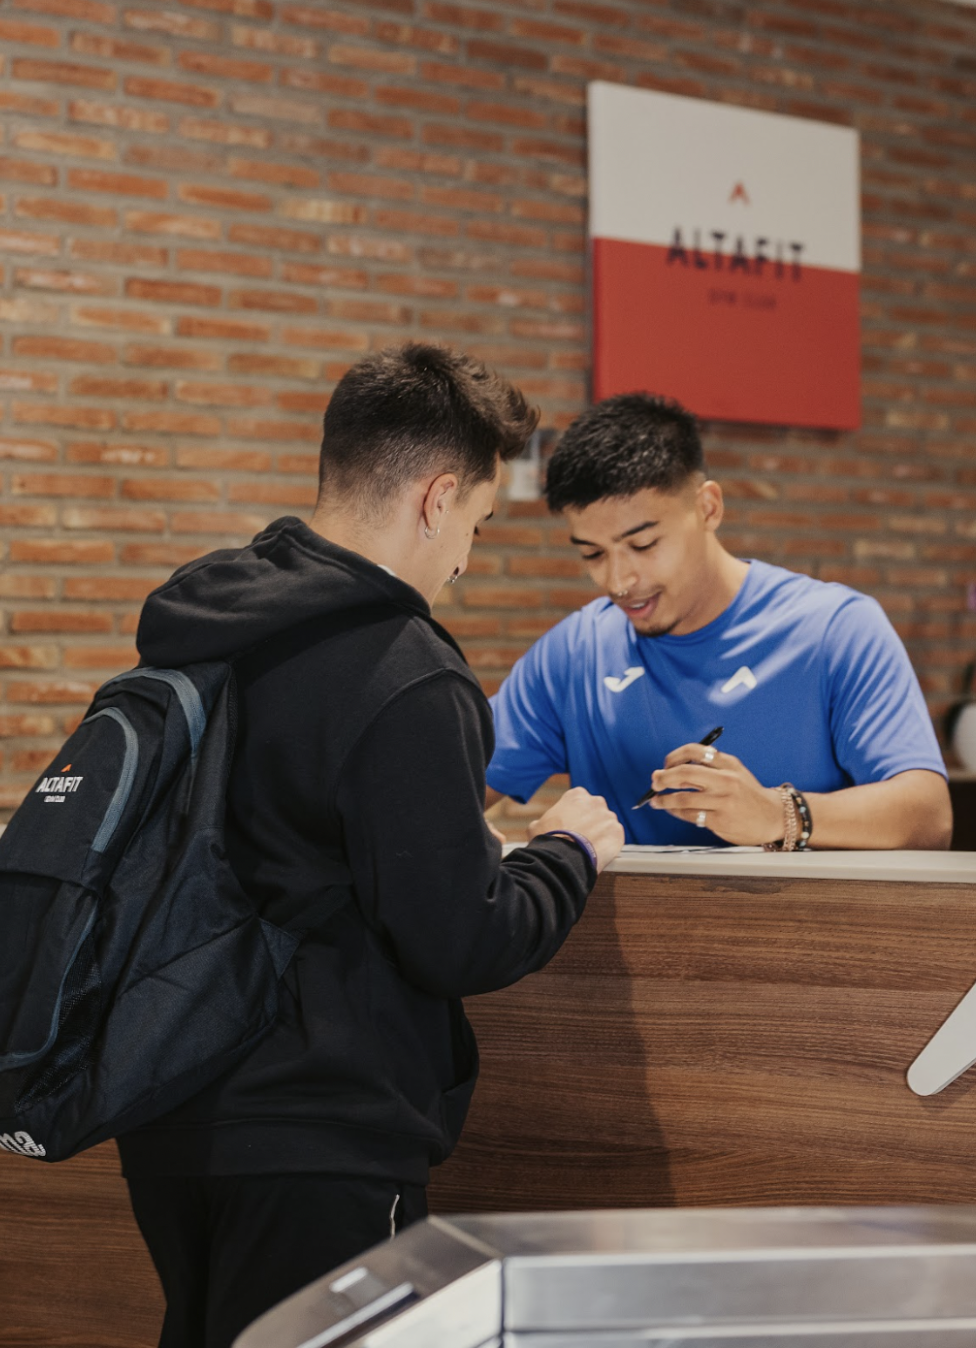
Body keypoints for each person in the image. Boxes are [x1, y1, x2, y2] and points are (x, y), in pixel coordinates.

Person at [120, 342, 625, 1348]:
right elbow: (458, 937)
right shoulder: (404, 671)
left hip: (167, 1109)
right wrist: (564, 850)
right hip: (320, 1133)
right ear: (436, 498)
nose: (465, 559)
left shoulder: (205, 618)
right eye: (476, 524)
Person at [486, 392, 951, 850]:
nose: (618, 579)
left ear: (708, 508)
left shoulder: (837, 630)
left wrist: (778, 814)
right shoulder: (575, 652)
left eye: (644, 545)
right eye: (593, 553)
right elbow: (450, 784)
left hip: (804, 924)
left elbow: (929, 816)